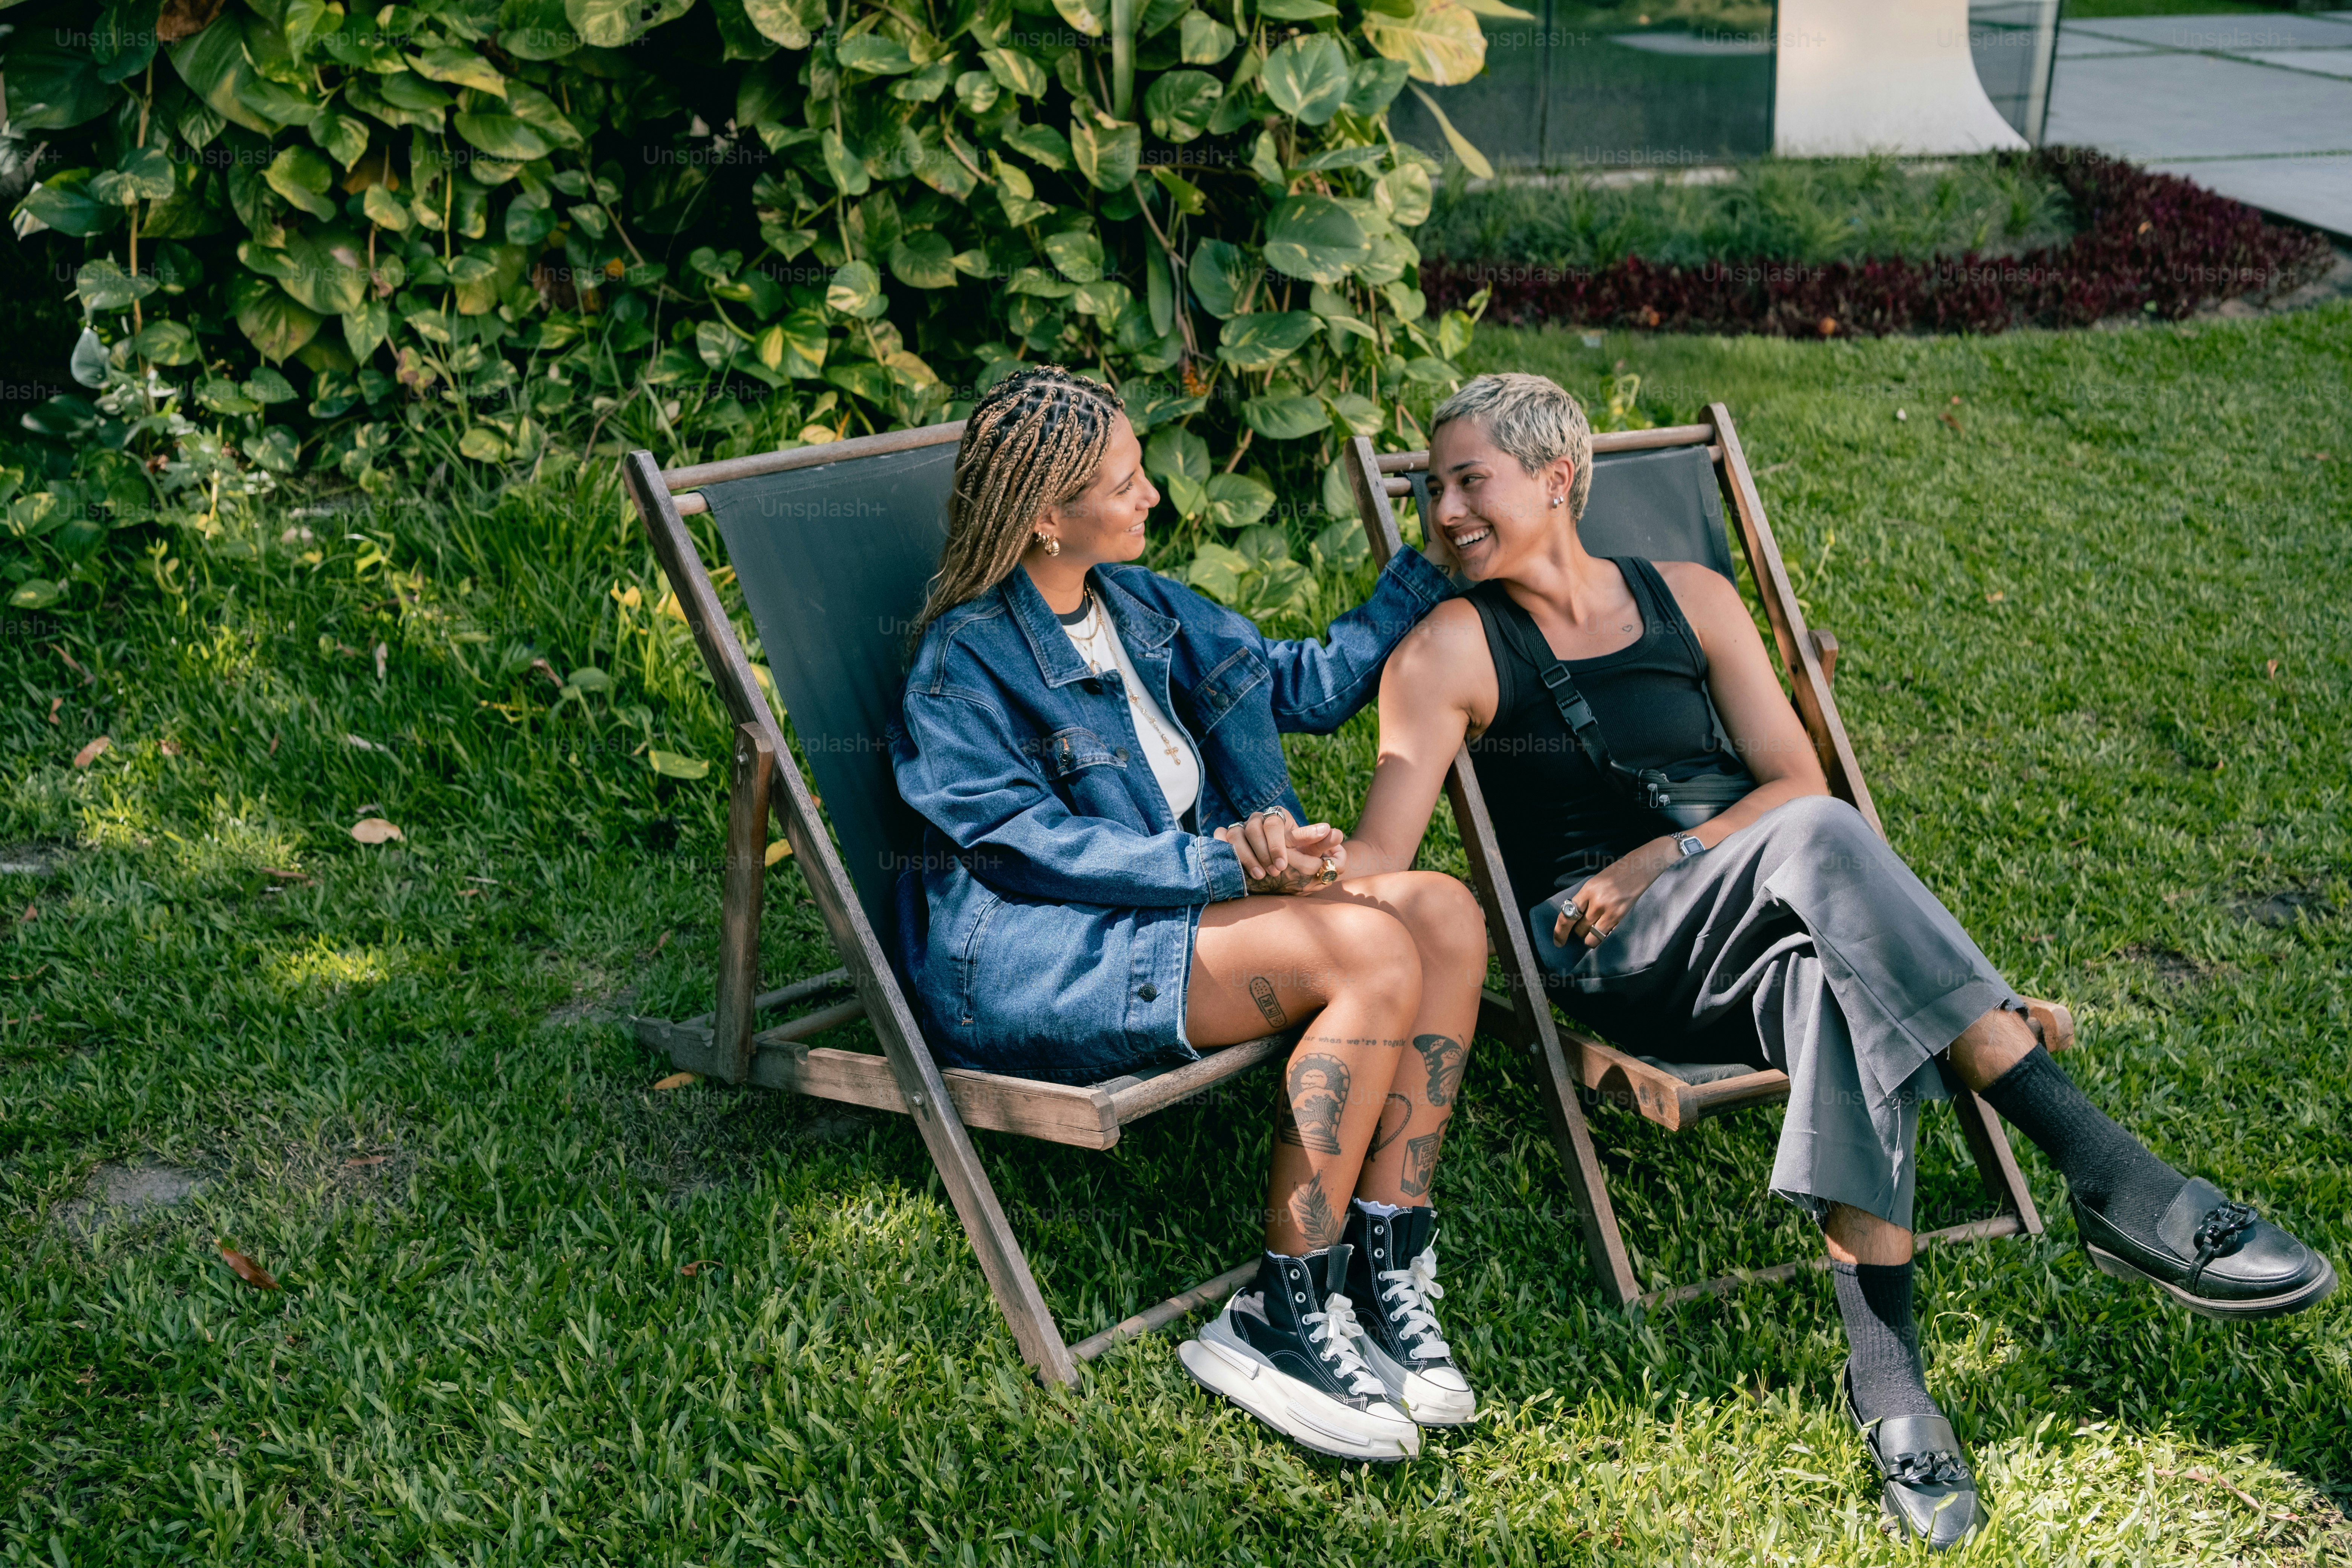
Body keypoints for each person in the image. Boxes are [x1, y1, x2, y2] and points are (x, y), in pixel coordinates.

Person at [1347, 372, 2336, 1543]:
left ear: (1557, 479)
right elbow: (1378, 860)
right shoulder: (1449, 648)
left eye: (1471, 480)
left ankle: (1890, 1390)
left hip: (1774, 906)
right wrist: (1282, 862)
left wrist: (1668, 851)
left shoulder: (1695, 602)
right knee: (1817, 844)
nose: (1444, 509)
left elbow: (1796, 777)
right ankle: (2111, 1171)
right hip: (1626, 958)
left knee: (1826, 974)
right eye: (1429, 486)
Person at [888, 364, 1485, 1461]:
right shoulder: (962, 664)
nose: (1153, 495)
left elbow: (1295, 684)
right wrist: (1220, 863)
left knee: (1440, 914)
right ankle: (1280, 1310)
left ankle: (1383, 1257)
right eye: (1125, 483)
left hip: (1167, 913)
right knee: (1366, 951)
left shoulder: (1145, 608)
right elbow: (1027, 845)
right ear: (1046, 521)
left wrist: (1426, 573)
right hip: (1034, 953)